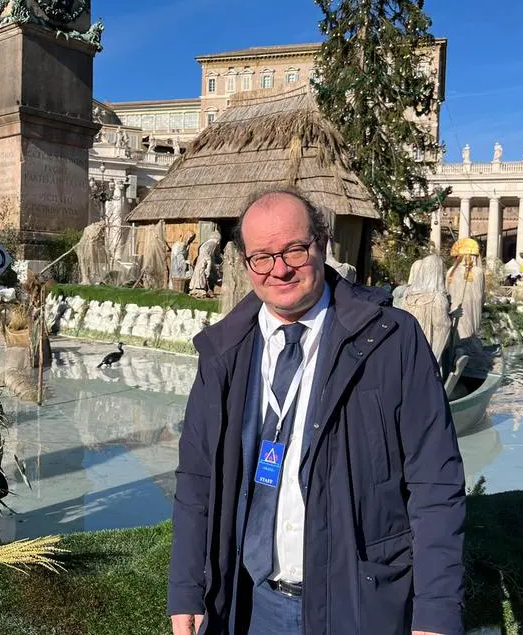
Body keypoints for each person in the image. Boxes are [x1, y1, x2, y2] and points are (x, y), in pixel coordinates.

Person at [168, 190, 465, 635]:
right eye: (262, 257)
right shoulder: (222, 352)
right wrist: (187, 588)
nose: (280, 269)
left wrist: (436, 614)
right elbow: (196, 480)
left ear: (322, 245)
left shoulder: (391, 340)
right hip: (252, 606)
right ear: (247, 264)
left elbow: (435, 483)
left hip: (359, 602)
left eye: (293, 250)